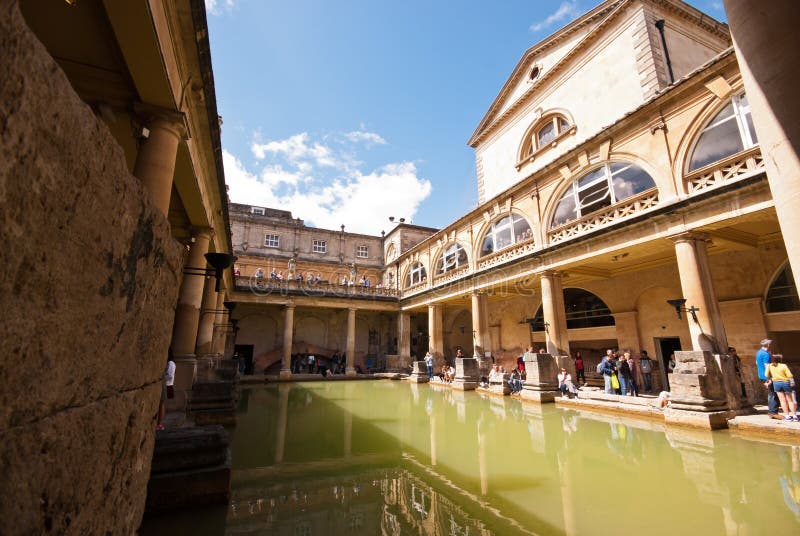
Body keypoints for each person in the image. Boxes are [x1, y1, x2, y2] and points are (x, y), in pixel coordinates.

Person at [766, 355, 797, 421]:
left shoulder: (770, 366)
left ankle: (787, 416)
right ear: (780, 360)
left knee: (782, 400)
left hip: (776, 383)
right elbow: (790, 375)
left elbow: (766, 375)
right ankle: (794, 416)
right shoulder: (783, 366)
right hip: (785, 383)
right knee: (790, 400)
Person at [756, 338, 781, 419]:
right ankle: (773, 413)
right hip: (767, 376)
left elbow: (757, 363)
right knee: (773, 394)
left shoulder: (758, 352)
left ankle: (772, 412)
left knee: (771, 393)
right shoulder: (765, 354)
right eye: (771, 344)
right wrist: (769, 378)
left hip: (761, 375)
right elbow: (767, 365)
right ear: (769, 345)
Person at [157, 349, 176, 430]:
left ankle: (160, 424)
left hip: (167, 385)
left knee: (162, 404)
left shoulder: (171, 363)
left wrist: (161, 375)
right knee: (162, 404)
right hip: (166, 385)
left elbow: (170, 375)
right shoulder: (169, 363)